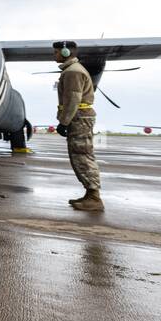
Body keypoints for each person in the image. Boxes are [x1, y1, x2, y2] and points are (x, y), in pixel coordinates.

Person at [54, 40, 103, 212]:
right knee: (81, 154)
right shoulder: (73, 70)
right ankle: (90, 194)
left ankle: (94, 197)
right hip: (79, 117)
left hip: (78, 118)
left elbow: (73, 99)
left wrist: (64, 122)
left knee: (82, 155)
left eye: (56, 52)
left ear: (66, 52)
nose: (54, 55)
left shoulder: (73, 72)